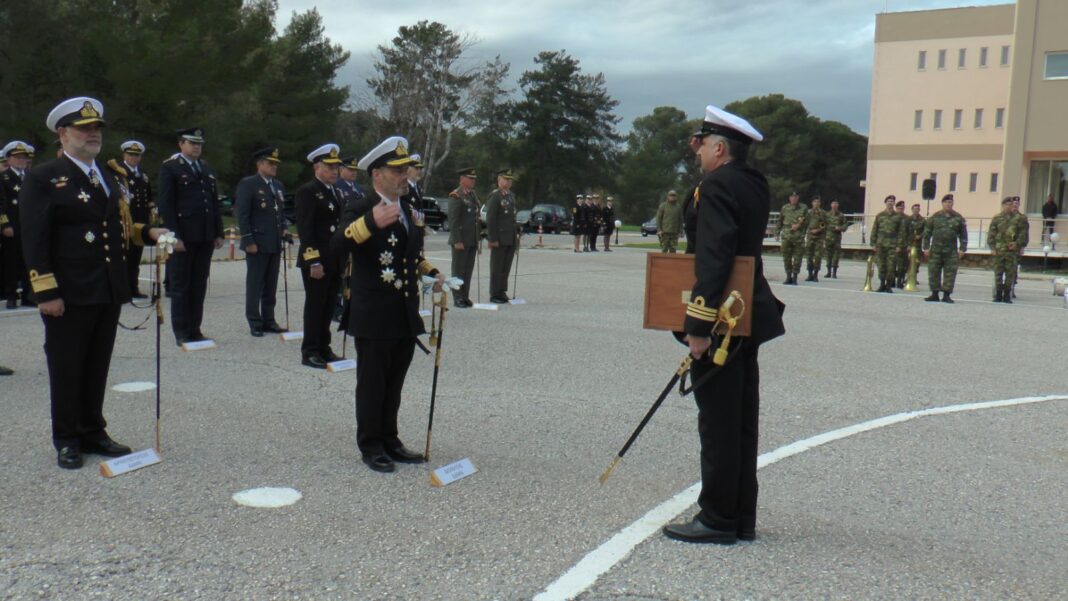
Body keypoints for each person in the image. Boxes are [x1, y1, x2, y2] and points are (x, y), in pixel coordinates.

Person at [20, 97, 167, 469]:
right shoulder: (45, 177)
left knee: (97, 363)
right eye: (83, 129)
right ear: (63, 133)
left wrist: (148, 232)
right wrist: (45, 291)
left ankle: (93, 430)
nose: (92, 135)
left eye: (96, 128)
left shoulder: (107, 174)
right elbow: (35, 239)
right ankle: (67, 438)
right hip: (69, 290)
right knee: (67, 365)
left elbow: (115, 225)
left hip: (106, 287)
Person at [663, 104, 785, 545]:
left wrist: (698, 326)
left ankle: (716, 518)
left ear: (719, 148)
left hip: (722, 320)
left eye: (702, 144)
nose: (696, 151)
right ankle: (739, 515)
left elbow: (714, 258)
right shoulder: (752, 182)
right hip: (747, 311)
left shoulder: (716, 185)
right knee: (740, 421)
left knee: (717, 424)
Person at [331, 136, 445, 473]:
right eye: (397, 170)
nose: (404, 175)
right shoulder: (361, 207)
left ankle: (390, 439)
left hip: (403, 312)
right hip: (374, 312)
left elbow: (410, 256)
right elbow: (336, 246)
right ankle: (371, 443)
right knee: (373, 383)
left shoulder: (408, 209)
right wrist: (369, 223)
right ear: (377, 174)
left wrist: (432, 272)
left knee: (394, 382)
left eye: (405, 169)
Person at [157, 127, 223, 345]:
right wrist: (174, 236)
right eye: (192, 143)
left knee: (199, 284)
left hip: (204, 235)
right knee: (181, 285)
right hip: (183, 236)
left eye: (199, 144)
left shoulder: (205, 167)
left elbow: (213, 202)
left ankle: (195, 329)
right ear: (181, 144)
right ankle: (182, 331)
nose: (196, 147)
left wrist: (218, 231)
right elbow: (166, 204)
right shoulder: (170, 167)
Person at [295, 144, 344, 367]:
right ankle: (310, 351)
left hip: (333, 259)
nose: (335, 171)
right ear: (317, 167)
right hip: (317, 260)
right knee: (315, 306)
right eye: (329, 167)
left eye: (336, 167)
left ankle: (324, 347)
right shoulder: (308, 191)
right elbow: (306, 230)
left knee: (328, 305)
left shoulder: (335, 191)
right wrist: (313, 260)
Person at [235, 147, 289, 337]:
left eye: (276, 164)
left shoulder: (278, 185)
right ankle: (254, 321)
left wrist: (284, 228)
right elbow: (242, 214)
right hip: (257, 242)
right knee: (255, 284)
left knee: (271, 284)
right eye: (270, 163)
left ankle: (269, 319)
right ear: (260, 164)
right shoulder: (249, 184)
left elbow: (280, 211)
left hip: (274, 242)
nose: (274, 167)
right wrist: (248, 239)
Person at [1, 141, 36, 308]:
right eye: (17, 157)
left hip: (31, 227)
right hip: (13, 227)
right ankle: (11, 295)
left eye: (24, 157)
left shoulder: (32, 177)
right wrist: (4, 225)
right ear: (8, 159)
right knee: (11, 262)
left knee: (29, 262)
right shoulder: (3, 177)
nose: (22, 160)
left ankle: (29, 295)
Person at [117, 141, 154, 298]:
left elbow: (148, 197)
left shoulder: (142, 174)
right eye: (131, 154)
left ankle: (133, 287)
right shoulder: (119, 172)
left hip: (140, 221)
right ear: (124, 155)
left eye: (137, 155)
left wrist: (152, 211)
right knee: (124, 255)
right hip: (125, 222)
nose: (134, 158)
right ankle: (123, 288)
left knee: (136, 256)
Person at [921, 194, 967, 303]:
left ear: (953, 203)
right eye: (946, 202)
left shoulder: (958, 217)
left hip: (951, 251)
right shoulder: (935, 217)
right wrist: (926, 247)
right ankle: (934, 294)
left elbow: (963, 234)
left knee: (950, 273)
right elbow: (927, 233)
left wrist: (962, 248)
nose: (948, 204)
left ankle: (947, 295)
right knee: (934, 271)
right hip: (936, 250)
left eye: (950, 202)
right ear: (942, 203)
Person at [485, 169, 518, 303]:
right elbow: (491, 219)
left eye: (510, 180)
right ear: (499, 180)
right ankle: (494, 293)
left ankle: (502, 291)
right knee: (497, 267)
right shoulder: (495, 196)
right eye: (506, 179)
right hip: (499, 237)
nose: (509, 182)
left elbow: (511, 218)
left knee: (505, 267)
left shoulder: (511, 196)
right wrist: (492, 239)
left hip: (510, 237)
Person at [447, 168, 479, 307]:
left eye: (474, 178)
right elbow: (453, 221)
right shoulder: (456, 195)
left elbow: (475, 218)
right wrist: (457, 240)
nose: (473, 181)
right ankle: (458, 297)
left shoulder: (472, 195)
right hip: (461, 239)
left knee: (467, 270)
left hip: (471, 239)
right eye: (470, 178)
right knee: (458, 270)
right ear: (462, 179)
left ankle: (465, 296)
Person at [988, 197, 1024, 303]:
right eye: (1007, 205)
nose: (1009, 207)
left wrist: (1017, 244)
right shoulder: (997, 218)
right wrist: (992, 247)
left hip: (1012, 251)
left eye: (1011, 204)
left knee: (1010, 273)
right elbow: (991, 234)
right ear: (1003, 205)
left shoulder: (1019, 218)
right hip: (999, 250)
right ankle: (998, 294)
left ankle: (1007, 295)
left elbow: (1023, 234)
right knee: (998, 273)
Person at [870, 195, 904, 293]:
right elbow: (874, 230)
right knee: (881, 265)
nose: (890, 203)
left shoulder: (898, 217)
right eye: (888, 201)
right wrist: (873, 243)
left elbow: (901, 232)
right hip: (880, 244)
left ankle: (889, 285)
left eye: (892, 201)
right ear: (885, 203)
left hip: (892, 245)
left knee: (891, 266)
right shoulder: (880, 215)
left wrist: (899, 245)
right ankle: (882, 284)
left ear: (894, 203)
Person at [775, 192, 806, 284]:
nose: (794, 199)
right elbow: (780, 221)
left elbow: (807, 221)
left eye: (795, 197)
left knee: (798, 257)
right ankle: (788, 276)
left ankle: (795, 277)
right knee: (786, 257)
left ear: (798, 198)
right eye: (792, 197)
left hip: (798, 236)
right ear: (789, 198)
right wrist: (777, 233)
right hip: (786, 235)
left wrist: (799, 226)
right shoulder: (785, 208)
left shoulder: (803, 207)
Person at [803, 195, 826, 282]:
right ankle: (810, 274)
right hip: (810, 236)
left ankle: (815, 274)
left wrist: (818, 230)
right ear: (812, 203)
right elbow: (805, 223)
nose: (816, 203)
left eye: (818, 202)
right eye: (815, 202)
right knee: (809, 256)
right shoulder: (808, 213)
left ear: (820, 203)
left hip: (819, 237)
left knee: (818, 256)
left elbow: (824, 224)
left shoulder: (823, 213)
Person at [903, 203, 926, 287]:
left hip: (918, 244)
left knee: (917, 261)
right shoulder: (907, 219)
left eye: (917, 209)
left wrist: (920, 236)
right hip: (909, 243)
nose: (916, 210)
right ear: (912, 210)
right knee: (908, 261)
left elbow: (926, 230)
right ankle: (908, 277)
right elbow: (904, 231)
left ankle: (914, 277)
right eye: (914, 209)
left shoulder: (923, 220)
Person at [823, 200, 846, 278]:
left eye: (836, 204)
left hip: (837, 238)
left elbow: (845, 225)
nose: (834, 205)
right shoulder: (827, 215)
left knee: (836, 255)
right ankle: (828, 272)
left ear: (838, 205)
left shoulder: (841, 215)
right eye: (833, 204)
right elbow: (822, 224)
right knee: (828, 255)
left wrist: (840, 228)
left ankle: (834, 273)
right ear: (831, 205)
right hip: (828, 238)